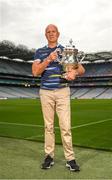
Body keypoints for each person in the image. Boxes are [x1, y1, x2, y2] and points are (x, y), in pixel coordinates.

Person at [32, 24, 85, 171]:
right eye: (48, 32)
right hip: (46, 92)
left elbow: (81, 69)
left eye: (53, 31)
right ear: (45, 35)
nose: (51, 34)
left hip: (62, 91)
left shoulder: (65, 50)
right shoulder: (40, 52)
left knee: (65, 127)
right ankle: (49, 156)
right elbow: (35, 72)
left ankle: (70, 158)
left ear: (58, 33)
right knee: (48, 127)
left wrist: (73, 73)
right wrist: (48, 59)